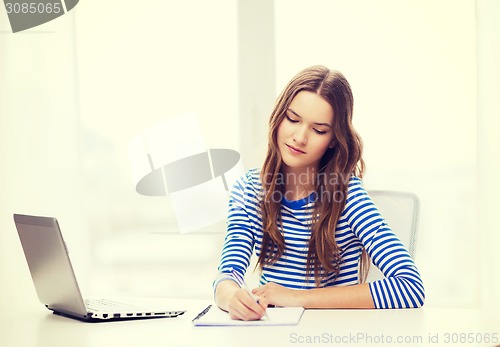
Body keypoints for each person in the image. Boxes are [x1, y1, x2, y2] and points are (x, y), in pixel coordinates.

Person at [213, 65, 425, 320]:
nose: (300, 137)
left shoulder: (348, 196)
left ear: (334, 138)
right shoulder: (249, 190)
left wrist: (295, 298)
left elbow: (410, 286)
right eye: (292, 119)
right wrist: (232, 297)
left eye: (319, 130)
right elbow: (227, 276)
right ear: (278, 118)